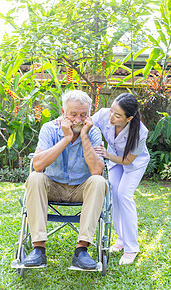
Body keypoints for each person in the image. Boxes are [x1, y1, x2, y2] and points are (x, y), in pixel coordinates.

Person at [23, 90, 108, 270]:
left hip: (81, 189)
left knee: (99, 181)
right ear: (63, 112)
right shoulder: (49, 128)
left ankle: (81, 250)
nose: (78, 120)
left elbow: (96, 170)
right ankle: (38, 249)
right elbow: (38, 165)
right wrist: (67, 137)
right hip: (52, 185)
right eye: (73, 114)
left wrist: (83, 135)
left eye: (83, 115)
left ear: (89, 114)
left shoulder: (93, 132)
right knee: (35, 177)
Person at [92, 93, 150, 265]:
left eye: (117, 116)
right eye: (112, 111)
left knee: (124, 196)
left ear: (129, 118)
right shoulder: (103, 114)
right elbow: (87, 125)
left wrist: (107, 154)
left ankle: (132, 248)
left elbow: (128, 160)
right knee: (114, 197)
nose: (111, 117)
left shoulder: (140, 132)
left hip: (133, 164)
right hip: (113, 160)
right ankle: (121, 240)